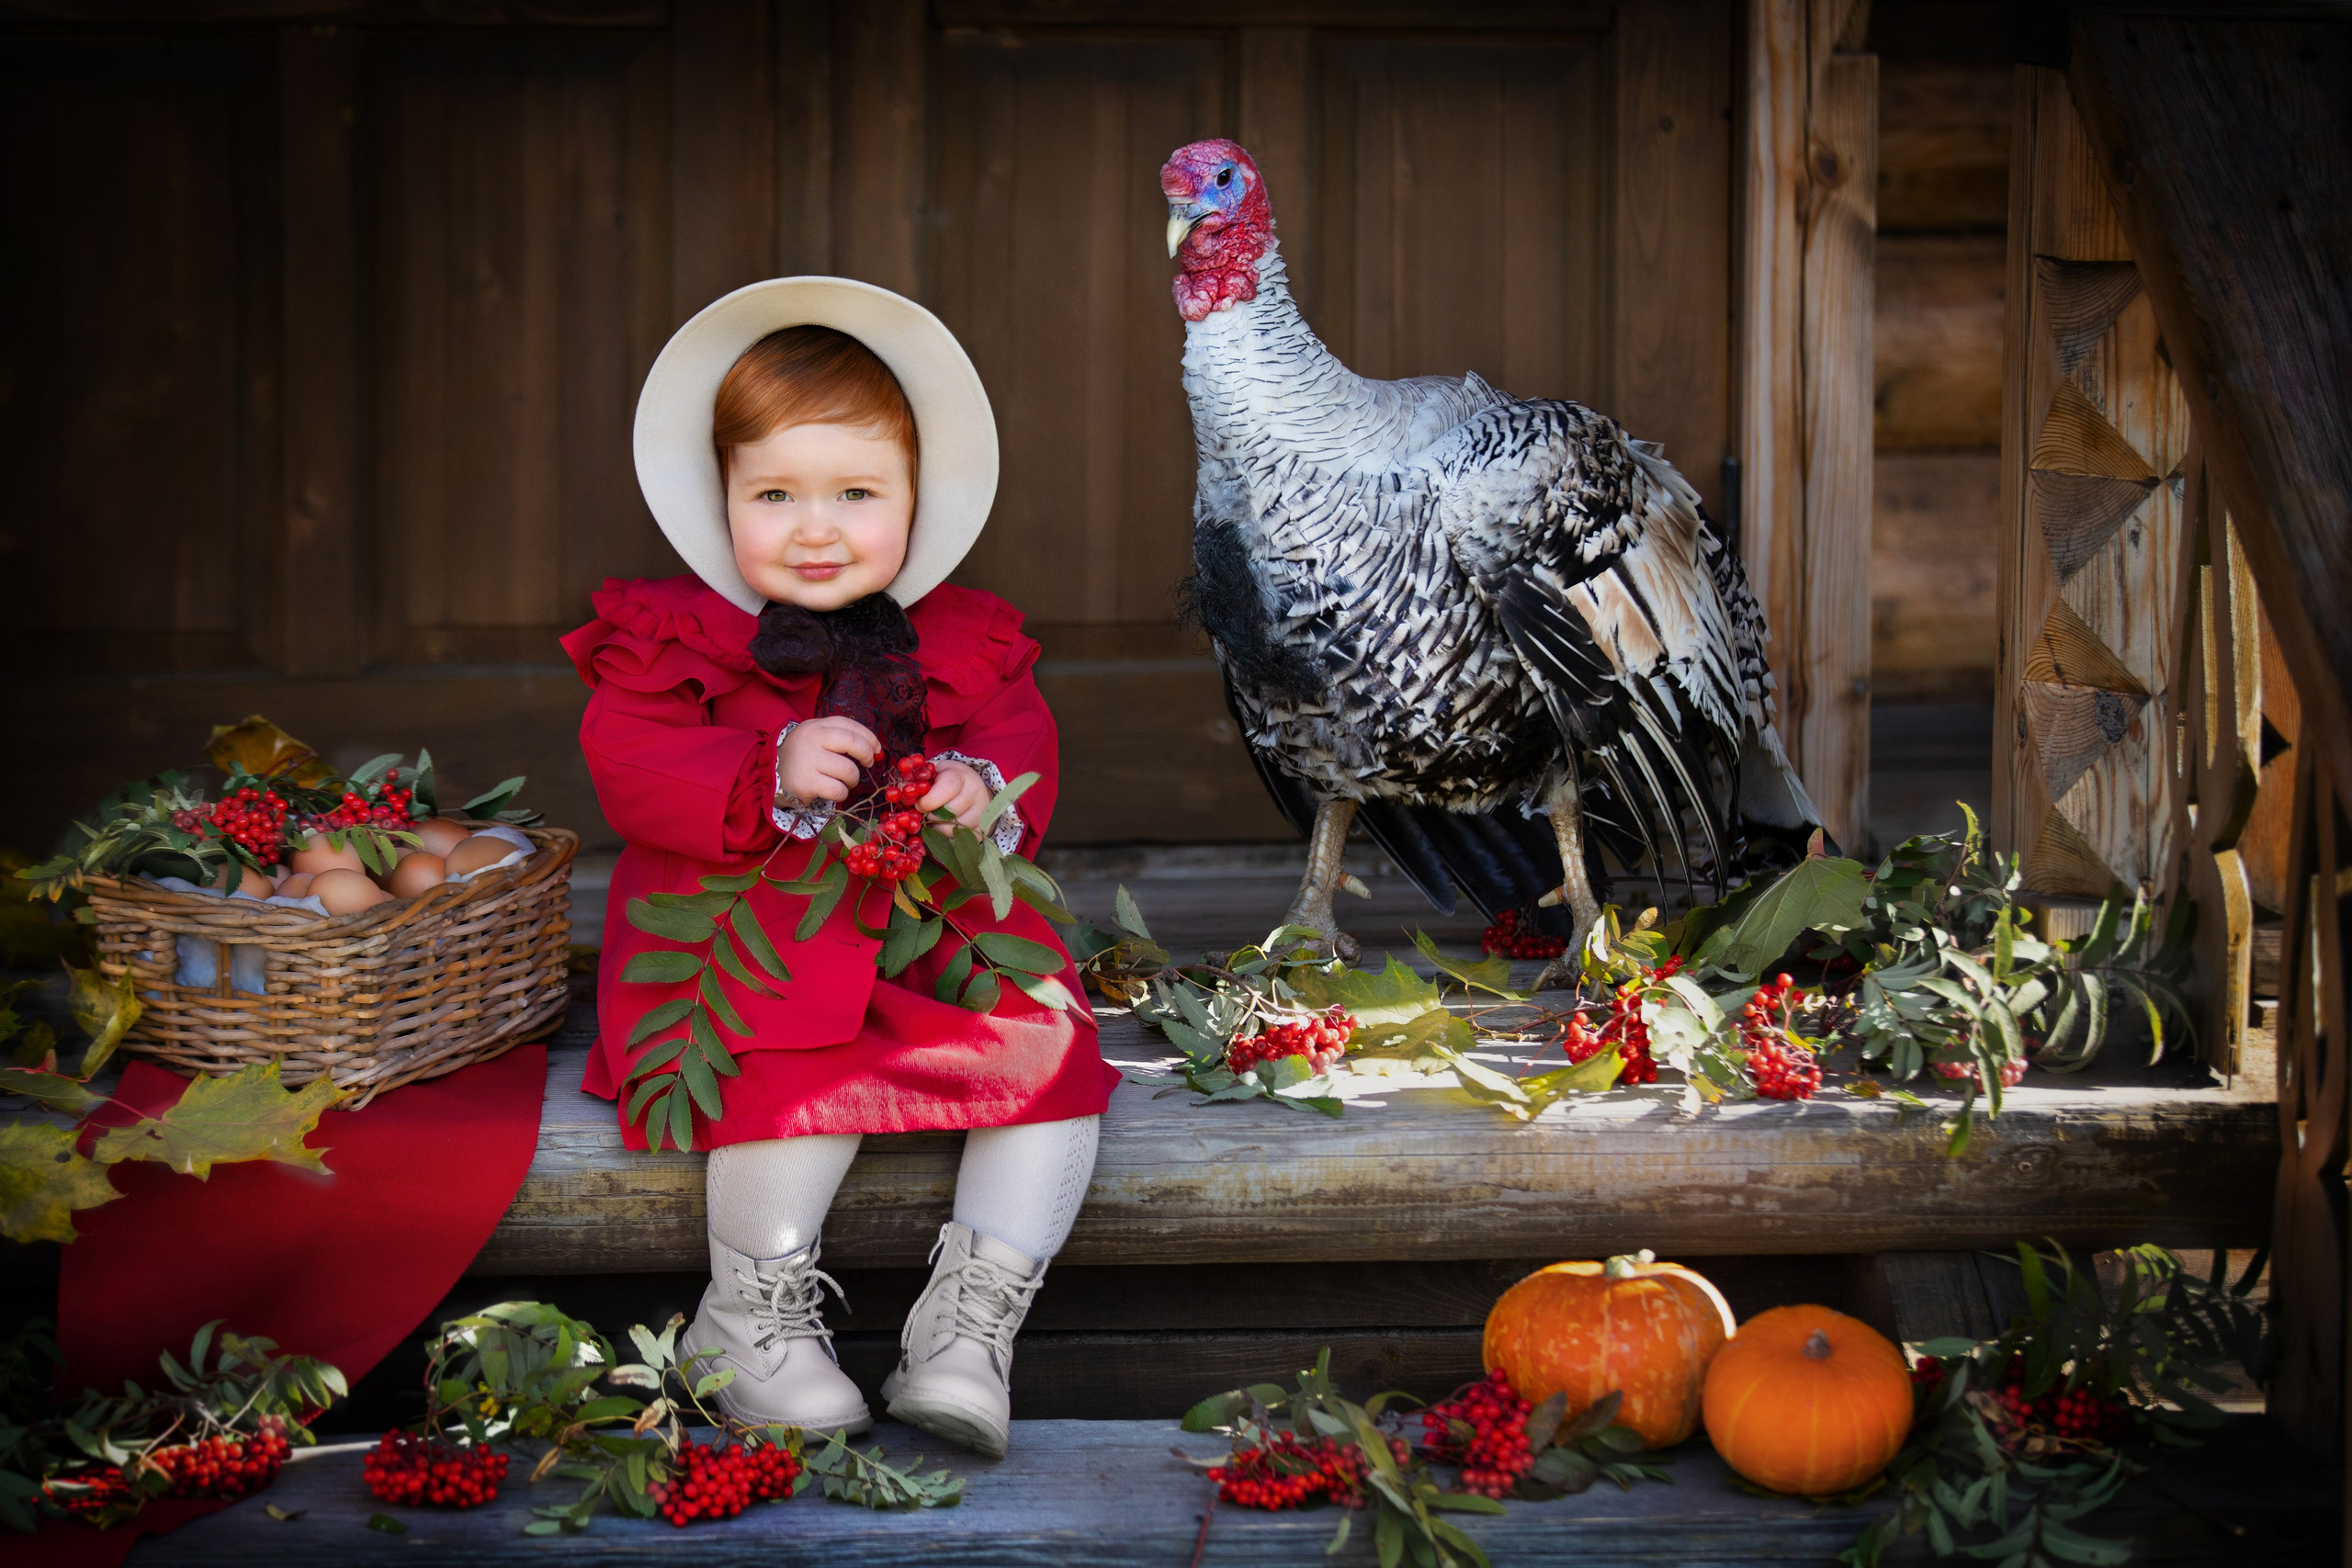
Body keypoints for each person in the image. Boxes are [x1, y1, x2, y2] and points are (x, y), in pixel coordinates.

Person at [561, 278, 1117, 1460]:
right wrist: (767, 764)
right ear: (719, 498)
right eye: (773, 495)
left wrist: (975, 789)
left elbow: (1019, 742)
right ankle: (746, 1320)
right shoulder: (673, 634)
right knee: (784, 1050)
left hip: (925, 921)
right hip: (738, 928)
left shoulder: (966, 636)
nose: (814, 529)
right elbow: (627, 758)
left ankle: (969, 1330)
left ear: (919, 495)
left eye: (856, 494)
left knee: (1048, 1044)